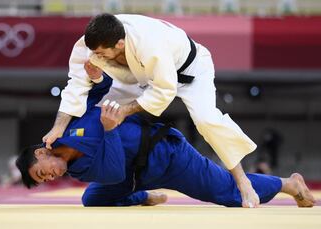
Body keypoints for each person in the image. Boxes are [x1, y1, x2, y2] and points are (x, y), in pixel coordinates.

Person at [43, 13, 258, 207]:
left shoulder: (149, 42)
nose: (95, 55)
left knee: (206, 120)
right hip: (141, 78)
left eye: (100, 52)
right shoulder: (88, 45)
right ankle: (131, 170)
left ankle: (242, 180)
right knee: (98, 111)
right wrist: (58, 128)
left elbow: (164, 91)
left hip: (189, 70)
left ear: (119, 44)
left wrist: (124, 112)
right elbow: (76, 87)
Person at [17, 99, 316, 208]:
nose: (52, 176)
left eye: (44, 172)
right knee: (91, 198)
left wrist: (93, 71)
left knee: (226, 192)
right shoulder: (77, 171)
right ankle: (145, 197)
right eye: (46, 181)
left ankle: (288, 184)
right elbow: (113, 174)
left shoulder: (72, 125)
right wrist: (109, 129)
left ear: (43, 153)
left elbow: (93, 89)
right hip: (132, 175)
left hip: (166, 155)